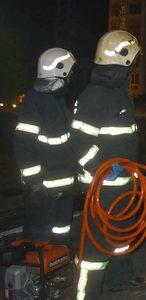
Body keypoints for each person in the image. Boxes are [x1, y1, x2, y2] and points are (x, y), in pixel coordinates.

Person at [71, 31, 146, 298]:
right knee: (94, 248)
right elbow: (79, 146)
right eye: (134, 59)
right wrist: (103, 168)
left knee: (120, 235)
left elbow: (120, 139)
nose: (136, 64)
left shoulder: (118, 92)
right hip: (102, 187)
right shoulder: (95, 96)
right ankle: (86, 295)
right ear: (124, 59)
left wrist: (132, 170)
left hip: (122, 183)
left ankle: (120, 277)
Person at [13, 48, 77, 245]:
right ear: (62, 71)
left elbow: (67, 142)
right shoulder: (35, 102)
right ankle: (37, 275)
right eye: (71, 71)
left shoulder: (57, 100)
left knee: (61, 233)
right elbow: (22, 144)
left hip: (64, 189)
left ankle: (57, 269)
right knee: (39, 238)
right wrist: (34, 184)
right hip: (43, 191)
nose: (72, 76)